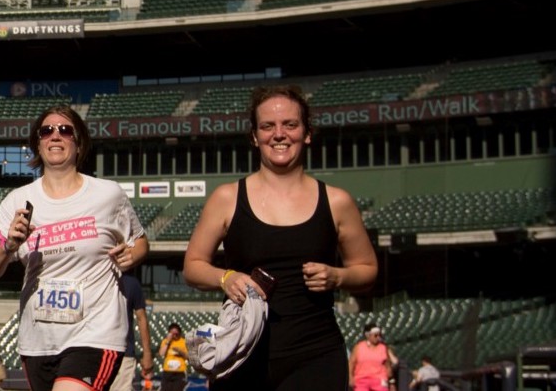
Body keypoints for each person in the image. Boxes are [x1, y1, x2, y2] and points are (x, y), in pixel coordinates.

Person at [182, 84, 378, 391]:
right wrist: (227, 277)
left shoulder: (337, 201)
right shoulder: (227, 198)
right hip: (241, 355)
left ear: (307, 133)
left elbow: (367, 269)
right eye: (267, 126)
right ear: (254, 137)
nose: (279, 134)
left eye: (290, 124)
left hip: (316, 356)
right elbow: (193, 266)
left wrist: (337, 276)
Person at [0, 105, 149, 391]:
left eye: (65, 130)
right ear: (38, 143)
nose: (55, 136)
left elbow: (141, 241)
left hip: (95, 333)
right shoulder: (16, 201)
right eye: (47, 131)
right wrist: (9, 247)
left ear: (78, 142)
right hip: (38, 341)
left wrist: (134, 254)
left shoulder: (108, 194)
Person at [115, 274, 154, 391]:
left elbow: (142, 318)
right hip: (95, 352)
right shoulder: (94, 278)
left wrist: (147, 354)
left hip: (124, 354)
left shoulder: (131, 283)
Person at [350, 324, 397, 391]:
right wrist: (350, 378)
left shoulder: (383, 348)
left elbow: (388, 367)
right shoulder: (359, 347)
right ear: (368, 335)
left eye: (379, 335)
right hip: (361, 380)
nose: (378, 337)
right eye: (375, 335)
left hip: (379, 379)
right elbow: (351, 363)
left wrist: (392, 383)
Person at [158, 324, 188, 391]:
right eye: (172, 334)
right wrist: (168, 341)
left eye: (176, 334)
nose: (174, 336)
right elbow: (161, 353)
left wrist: (180, 351)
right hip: (167, 371)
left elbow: (188, 357)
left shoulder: (183, 342)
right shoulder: (165, 341)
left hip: (179, 372)